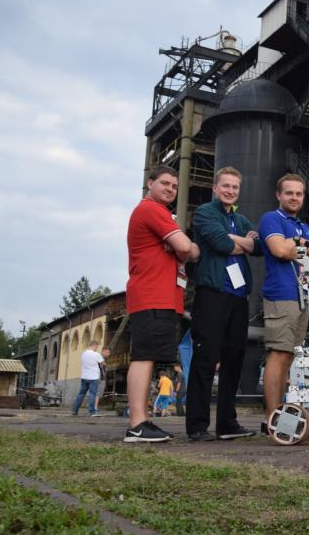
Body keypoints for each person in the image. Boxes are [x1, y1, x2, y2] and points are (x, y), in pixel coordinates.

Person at [124, 164, 200, 443]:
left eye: (174, 186)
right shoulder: (151, 210)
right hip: (151, 294)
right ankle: (136, 424)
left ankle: (143, 421)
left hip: (161, 296)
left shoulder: (159, 213)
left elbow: (182, 248)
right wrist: (188, 247)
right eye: (164, 183)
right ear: (150, 184)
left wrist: (184, 247)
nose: (170, 189)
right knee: (143, 357)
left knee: (149, 357)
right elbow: (186, 248)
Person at [186, 167, 259, 442]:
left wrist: (235, 240)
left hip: (239, 298)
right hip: (213, 294)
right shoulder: (205, 212)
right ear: (216, 188)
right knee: (206, 358)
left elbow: (257, 247)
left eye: (235, 187)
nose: (230, 191)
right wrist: (240, 242)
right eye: (225, 186)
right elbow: (219, 244)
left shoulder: (240, 219)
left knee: (234, 359)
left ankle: (227, 423)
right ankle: (197, 425)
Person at [259, 174, 309, 430]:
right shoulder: (271, 219)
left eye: (299, 194)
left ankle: (282, 417)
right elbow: (278, 250)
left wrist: (299, 243)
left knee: (289, 357)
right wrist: (303, 245)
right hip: (281, 294)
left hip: (303, 297)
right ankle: (272, 418)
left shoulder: (304, 226)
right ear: (279, 195)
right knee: (278, 354)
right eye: (289, 193)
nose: (294, 197)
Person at [71, 340, 105, 417]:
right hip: (93, 378)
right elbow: (103, 363)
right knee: (92, 394)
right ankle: (92, 412)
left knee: (81, 394)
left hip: (84, 377)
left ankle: (74, 410)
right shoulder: (96, 354)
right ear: (95, 345)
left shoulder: (83, 354)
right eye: (97, 346)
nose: (97, 348)